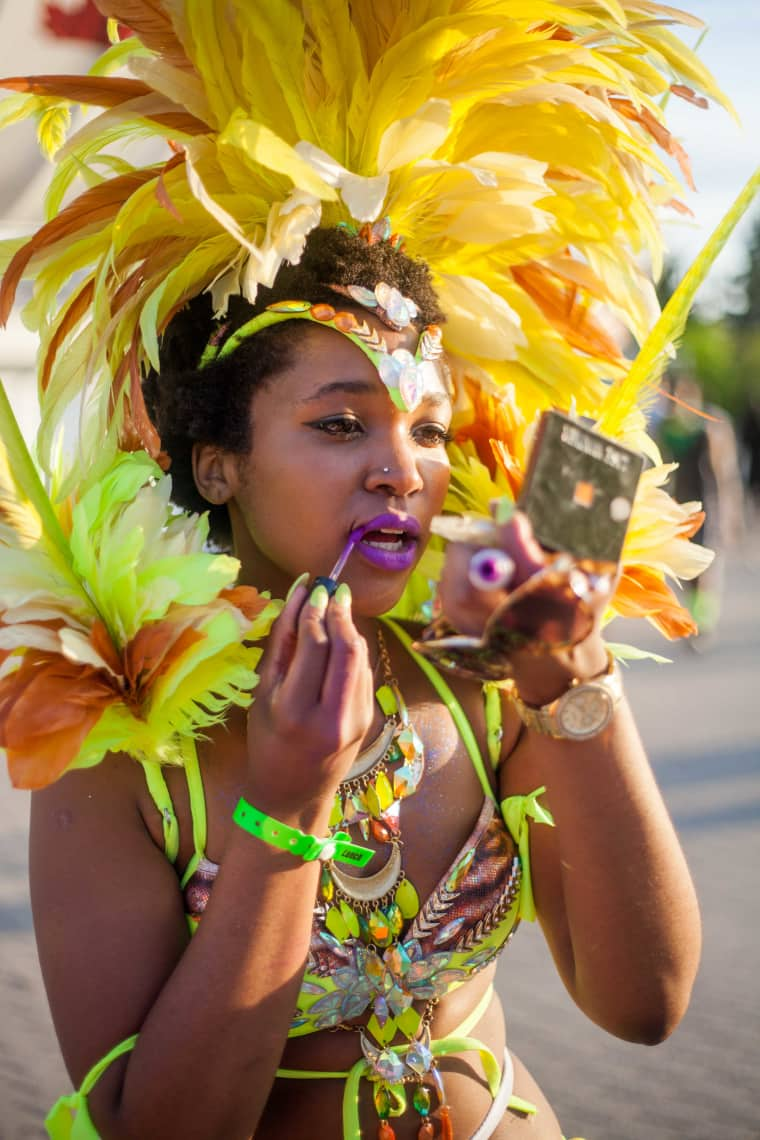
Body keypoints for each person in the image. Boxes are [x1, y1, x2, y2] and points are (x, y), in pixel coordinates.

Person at [0, 3, 729, 1138]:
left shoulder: (485, 678)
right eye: (342, 426)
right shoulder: (117, 736)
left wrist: (574, 678)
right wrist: (286, 812)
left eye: (428, 431)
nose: (402, 470)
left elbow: (644, 1007)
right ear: (219, 464)